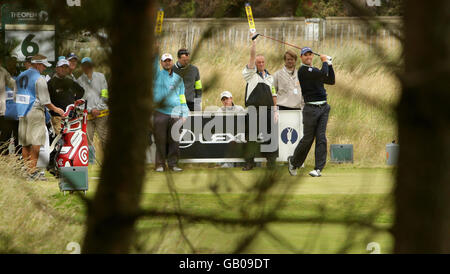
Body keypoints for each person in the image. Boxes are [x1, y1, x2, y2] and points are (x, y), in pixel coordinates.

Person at [287, 47, 335, 177]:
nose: (308, 57)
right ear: (301, 58)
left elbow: (331, 80)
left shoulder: (314, 71)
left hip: (323, 108)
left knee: (321, 138)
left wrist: (329, 65)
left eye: (310, 55)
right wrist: (325, 61)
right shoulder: (303, 70)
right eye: (305, 55)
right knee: (308, 139)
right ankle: (294, 161)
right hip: (310, 109)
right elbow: (321, 73)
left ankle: (318, 168)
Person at [16, 54, 65, 180]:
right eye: (43, 65)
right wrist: (56, 109)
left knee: (25, 143)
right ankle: (33, 172)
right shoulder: (40, 78)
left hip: (22, 111)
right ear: (37, 64)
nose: (44, 68)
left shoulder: (21, 75)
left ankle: (27, 171)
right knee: (36, 142)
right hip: (35, 111)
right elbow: (45, 101)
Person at [241, 34, 278, 171]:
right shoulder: (250, 74)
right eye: (258, 62)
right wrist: (254, 44)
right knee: (251, 138)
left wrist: (275, 110)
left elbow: (274, 95)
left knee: (271, 137)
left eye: (262, 62)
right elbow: (251, 58)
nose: (260, 64)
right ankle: (249, 163)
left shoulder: (270, 77)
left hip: (268, 111)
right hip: (253, 111)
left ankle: (271, 163)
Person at [153, 53, 189, 172]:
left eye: (169, 60)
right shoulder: (157, 75)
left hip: (176, 113)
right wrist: (155, 51)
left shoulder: (178, 78)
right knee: (160, 140)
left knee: (174, 140)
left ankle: (173, 165)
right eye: (165, 61)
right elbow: (153, 65)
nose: (167, 62)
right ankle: (160, 165)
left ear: (172, 62)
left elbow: (182, 96)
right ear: (161, 63)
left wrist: (184, 113)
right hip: (160, 112)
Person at [77, 57, 109, 151]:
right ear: (82, 67)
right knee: (87, 139)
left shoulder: (101, 77)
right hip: (87, 115)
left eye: (88, 65)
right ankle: (90, 161)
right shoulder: (79, 81)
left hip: (102, 113)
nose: (87, 67)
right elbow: (80, 101)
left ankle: (107, 161)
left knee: (104, 138)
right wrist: (91, 110)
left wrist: (98, 108)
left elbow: (105, 95)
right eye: (84, 65)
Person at [48, 59, 85, 133]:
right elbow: (46, 99)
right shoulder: (51, 82)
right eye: (62, 67)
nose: (64, 69)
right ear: (56, 68)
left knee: (71, 138)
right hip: (57, 117)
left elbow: (81, 91)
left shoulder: (70, 81)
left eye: (66, 67)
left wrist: (75, 100)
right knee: (59, 141)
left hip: (71, 117)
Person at [0, 56, 18, 155]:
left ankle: (9, 165)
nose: (12, 65)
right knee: (3, 139)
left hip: (5, 113)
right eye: (10, 62)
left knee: (8, 140)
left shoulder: (3, 72)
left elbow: (14, 85)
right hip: (5, 113)